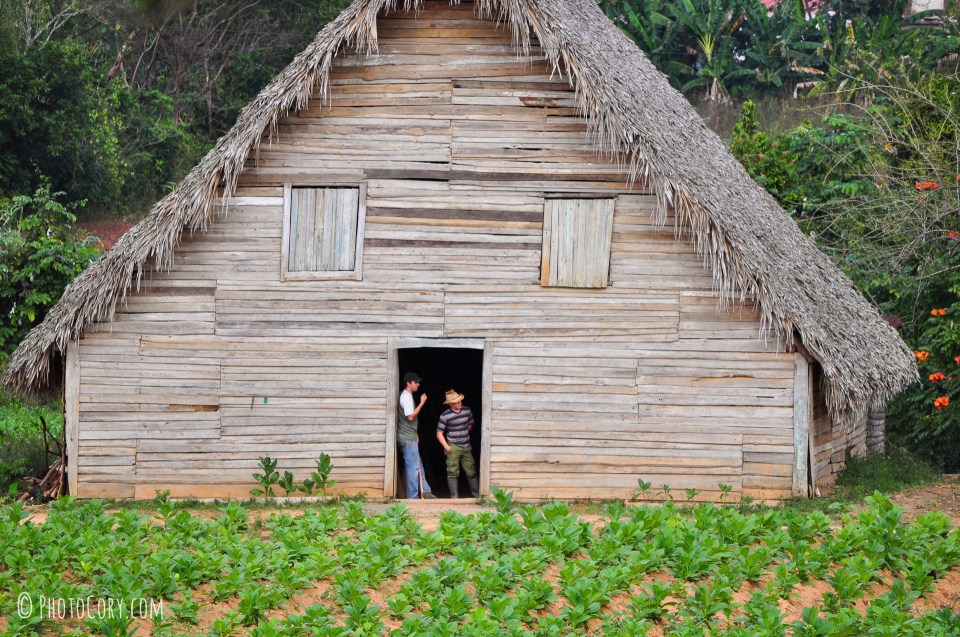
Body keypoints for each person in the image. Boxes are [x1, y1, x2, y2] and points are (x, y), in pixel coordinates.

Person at [398, 372, 435, 499]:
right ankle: (412, 497)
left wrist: (415, 432)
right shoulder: (407, 397)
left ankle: (426, 490)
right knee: (412, 468)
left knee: (418, 465)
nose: (418, 384)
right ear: (408, 383)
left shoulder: (406, 396)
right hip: (407, 438)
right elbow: (410, 416)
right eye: (416, 382)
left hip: (410, 435)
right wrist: (422, 402)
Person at [436, 389, 479, 498]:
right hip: (453, 446)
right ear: (450, 403)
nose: (460, 403)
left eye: (460, 401)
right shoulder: (445, 416)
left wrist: (463, 434)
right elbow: (439, 433)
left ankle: (477, 496)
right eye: (456, 402)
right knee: (452, 471)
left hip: (466, 445)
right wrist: (447, 447)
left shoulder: (467, 411)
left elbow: (470, 425)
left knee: (471, 471)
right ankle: (454, 497)